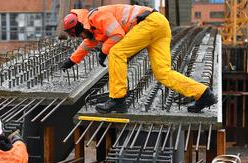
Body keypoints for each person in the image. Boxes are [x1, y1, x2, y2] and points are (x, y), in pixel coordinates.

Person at [60, 4, 217, 113]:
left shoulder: (96, 16)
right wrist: (72, 61)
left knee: (116, 53)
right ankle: (204, 94)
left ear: (80, 25)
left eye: (76, 33)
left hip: (149, 23)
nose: (78, 37)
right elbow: (88, 42)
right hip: (159, 24)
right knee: (163, 72)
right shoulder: (91, 28)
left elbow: (117, 34)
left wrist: (104, 50)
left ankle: (117, 100)